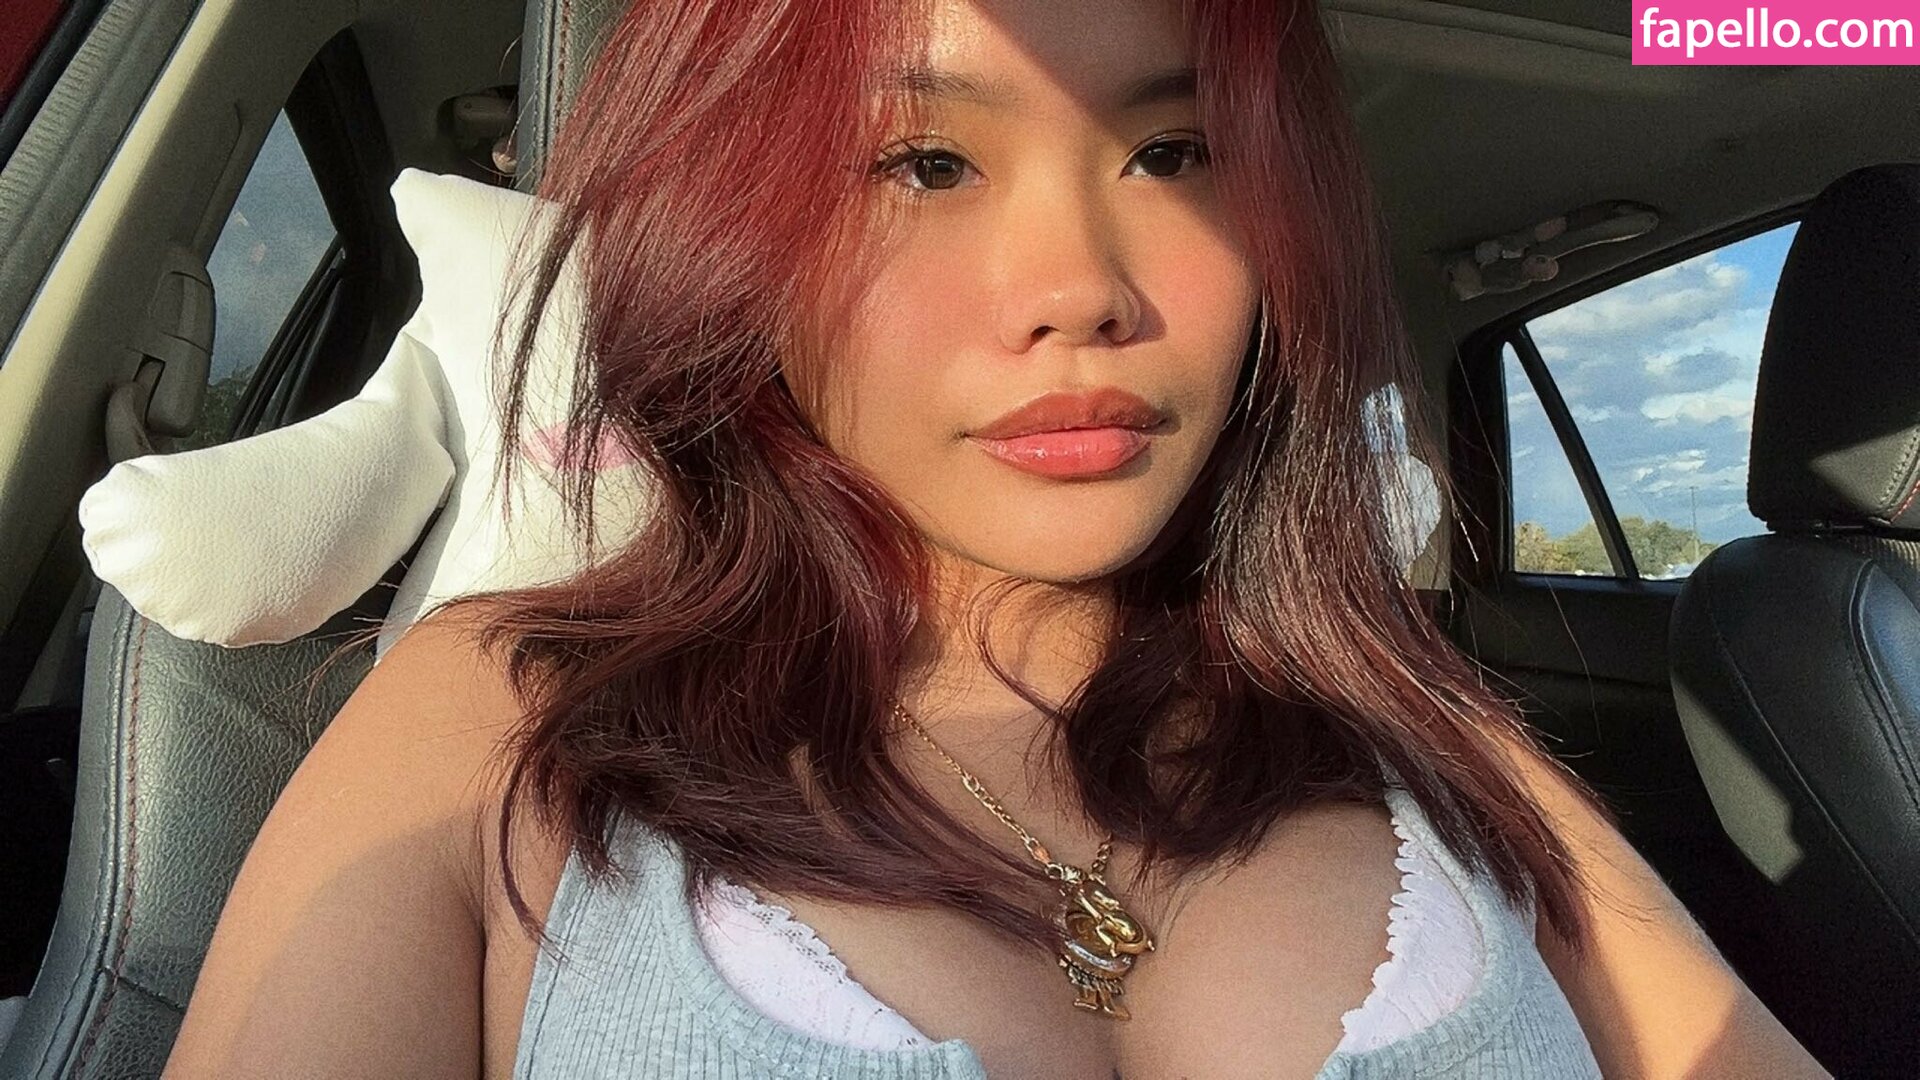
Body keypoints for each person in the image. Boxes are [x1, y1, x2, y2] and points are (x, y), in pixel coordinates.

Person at [163, 0, 1831, 1077]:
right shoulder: (490, 719)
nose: (1082, 288)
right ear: (733, 228)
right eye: (925, 162)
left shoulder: (1432, 734)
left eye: (1176, 153)